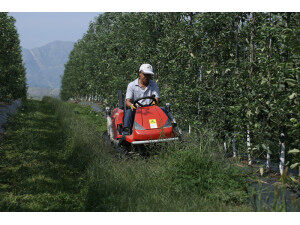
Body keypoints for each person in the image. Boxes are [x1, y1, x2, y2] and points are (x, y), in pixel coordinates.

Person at [123, 63, 161, 135]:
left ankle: (171, 128)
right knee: (128, 112)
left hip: (150, 109)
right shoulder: (132, 85)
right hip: (137, 110)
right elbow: (128, 101)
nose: (147, 77)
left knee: (163, 110)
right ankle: (126, 132)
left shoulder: (154, 84)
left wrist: (155, 102)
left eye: (149, 75)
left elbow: (157, 98)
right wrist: (131, 105)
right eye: (145, 74)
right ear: (140, 73)